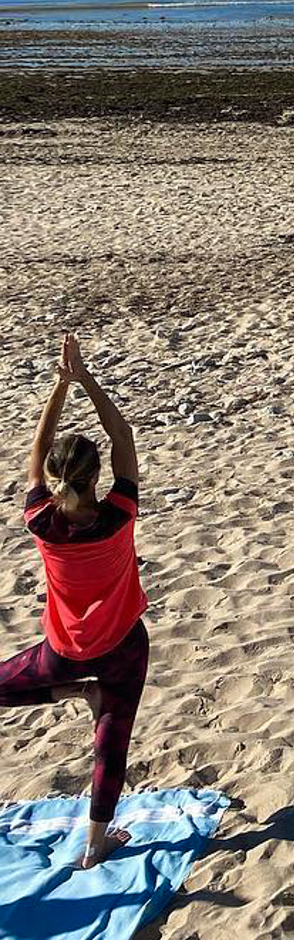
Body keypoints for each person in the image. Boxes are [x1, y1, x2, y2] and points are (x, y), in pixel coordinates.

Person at [0, 336, 149, 868]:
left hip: (64, 652)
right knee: (113, 740)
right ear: (94, 477)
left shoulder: (42, 520)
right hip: (123, 647)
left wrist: (59, 388)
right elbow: (123, 435)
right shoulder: (118, 513)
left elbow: (36, 455)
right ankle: (95, 843)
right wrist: (86, 380)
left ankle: (70, 690)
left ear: (59, 479)